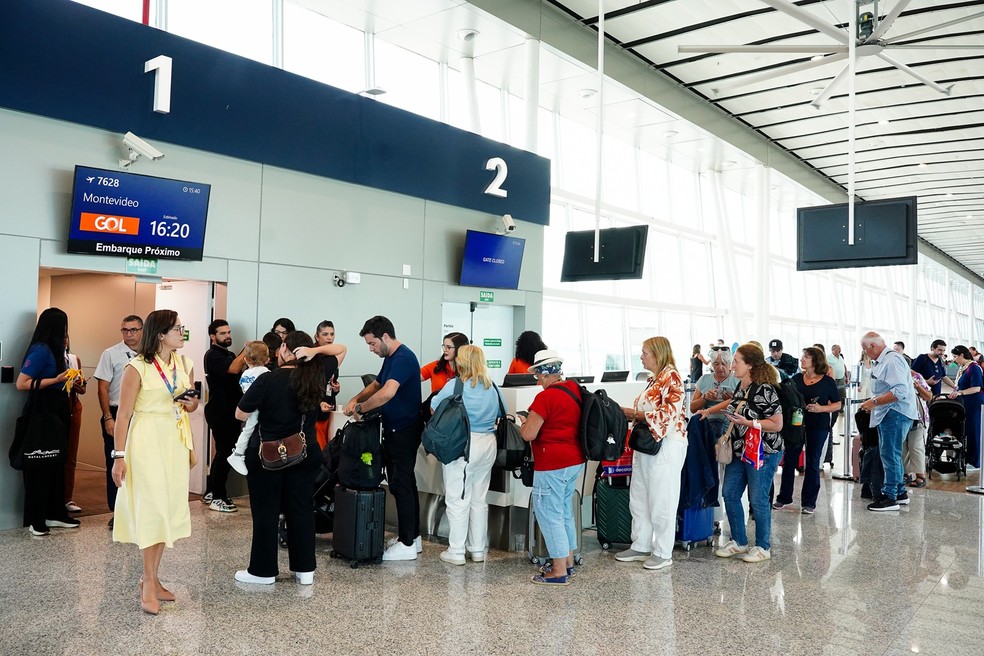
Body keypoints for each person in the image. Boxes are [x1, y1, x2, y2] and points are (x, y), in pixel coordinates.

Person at [112, 309, 199, 614]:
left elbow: (191, 401)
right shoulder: (136, 367)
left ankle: (153, 578)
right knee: (151, 510)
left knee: (166, 511)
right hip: (146, 441)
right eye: (178, 328)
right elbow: (122, 415)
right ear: (161, 334)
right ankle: (148, 582)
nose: (182, 333)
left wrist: (192, 404)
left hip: (174, 441)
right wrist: (119, 457)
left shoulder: (184, 363)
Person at [234, 331, 325, 586]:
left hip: (268, 455)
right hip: (305, 453)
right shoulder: (315, 377)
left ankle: (263, 572)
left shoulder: (268, 379)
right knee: (302, 510)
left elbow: (241, 414)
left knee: (266, 511)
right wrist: (315, 352)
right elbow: (339, 350)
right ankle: (305, 570)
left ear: (284, 348)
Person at [343, 316, 423, 561]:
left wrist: (361, 409)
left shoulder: (404, 358)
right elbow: (377, 384)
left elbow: (388, 392)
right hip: (395, 429)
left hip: (404, 430)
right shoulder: (390, 358)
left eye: (372, 343)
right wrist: (354, 400)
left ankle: (407, 544)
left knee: (401, 484)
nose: (371, 349)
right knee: (404, 483)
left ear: (385, 336)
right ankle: (412, 537)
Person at [614, 336, 688, 571]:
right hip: (646, 444)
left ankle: (663, 551)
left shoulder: (672, 378)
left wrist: (631, 414)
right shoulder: (654, 379)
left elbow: (668, 415)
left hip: (666, 445)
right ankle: (641, 543)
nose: (641, 356)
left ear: (657, 354)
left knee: (661, 498)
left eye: (645, 352)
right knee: (640, 495)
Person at [430, 345, 504, 565]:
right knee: (479, 499)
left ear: (462, 362)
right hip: (489, 443)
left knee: (457, 498)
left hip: (463, 443)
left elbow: (434, 406)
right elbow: (502, 411)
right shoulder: (493, 387)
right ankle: (478, 550)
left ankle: (456, 551)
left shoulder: (455, 385)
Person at [518, 349, 585, 585]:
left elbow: (528, 434)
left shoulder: (545, 398)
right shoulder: (574, 389)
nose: (537, 380)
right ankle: (567, 561)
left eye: (538, 375)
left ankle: (558, 571)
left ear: (546, 374)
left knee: (549, 514)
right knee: (564, 511)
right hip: (574, 461)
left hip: (552, 464)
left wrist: (523, 423)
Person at [713, 343, 783, 563]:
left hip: (763, 452)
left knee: (758, 499)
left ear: (750, 364)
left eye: (736, 361)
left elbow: (777, 424)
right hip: (740, 450)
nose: (731, 365)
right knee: (730, 493)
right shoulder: (741, 387)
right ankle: (739, 541)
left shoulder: (765, 389)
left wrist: (749, 422)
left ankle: (763, 546)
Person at [16, 308, 79, 536]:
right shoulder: (41, 349)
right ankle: (36, 518)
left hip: (58, 411)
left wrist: (72, 382)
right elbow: (22, 383)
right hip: (41, 413)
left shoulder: (59, 349)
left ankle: (55, 512)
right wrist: (57, 379)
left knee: (56, 462)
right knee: (41, 463)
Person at [773, 347, 841, 514]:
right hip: (796, 424)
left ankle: (809, 502)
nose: (802, 360)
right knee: (789, 459)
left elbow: (837, 404)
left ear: (815, 361)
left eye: (806, 357)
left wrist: (821, 408)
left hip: (818, 424)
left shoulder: (827, 382)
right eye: (802, 357)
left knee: (812, 461)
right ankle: (784, 497)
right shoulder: (796, 378)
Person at [858, 332, 918, 512]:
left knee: (889, 454)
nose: (864, 353)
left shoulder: (892, 360)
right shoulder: (884, 360)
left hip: (895, 413)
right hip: (888, 413)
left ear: (873, 347)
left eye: (864, 349)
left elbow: (900, 391)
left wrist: (873, 402)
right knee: (893, 454)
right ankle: (899, 492)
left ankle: (889, 497)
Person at [94, 314, 143, 529]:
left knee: (140, 464)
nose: (129, 334)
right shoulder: (110, 354)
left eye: (133, 330)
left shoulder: (150, 354)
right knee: (115, 463)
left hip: (141, 415)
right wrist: (107, 417)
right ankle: (117, 512)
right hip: (116, 413)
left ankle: (138, 510)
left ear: (142, 330)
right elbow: (102, 387)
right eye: (125, 330)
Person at [203, 319, 247, 513]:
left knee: (223, 452)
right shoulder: (212, 355)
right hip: (220, 412)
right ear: (213, 337)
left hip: (230, 411)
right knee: (226, 453)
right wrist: (248, 350)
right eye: (223, 333)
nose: (228, 336)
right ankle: (218, 497)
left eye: (229, 332)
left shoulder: (228, 354)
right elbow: (234, 369)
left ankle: (212, 491)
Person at [227, 341, 271, 477]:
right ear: (268, 360)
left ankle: (238, 453)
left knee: (247, 430)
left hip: (248, 407)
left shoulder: (245, 374)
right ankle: (238, 454)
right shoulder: (266, 373)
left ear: (245, 359)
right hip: (260, 408)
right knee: (250, 428)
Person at [948, 345, 983, 470]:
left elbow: (977, 388)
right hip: (965, 403)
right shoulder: (964, 368)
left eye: (955, 356)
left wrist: (960, 392)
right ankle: (967, 458)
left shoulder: (974, 368)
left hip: (974, 403)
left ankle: (975, 461)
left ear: (962, 355)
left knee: (974, 431)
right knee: (965, 431)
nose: (954, 359)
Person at [63, 336, 87, 515]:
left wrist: (79, 385)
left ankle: (67, 498)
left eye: (66, 336)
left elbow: (83, 387)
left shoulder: (73, 359)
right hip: (54, 409)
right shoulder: (47, 357)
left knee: (70, 455)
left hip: (72, 406)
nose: (64, 340)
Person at [312, 320, 341, 449]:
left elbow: (330, 380)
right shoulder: (313, 356)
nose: (329, 337)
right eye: (325, 334)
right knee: (319, 448)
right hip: (314, 409)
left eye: (332, 334)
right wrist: (318, 403)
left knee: (330, 446)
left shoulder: (332, 355)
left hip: (329, 407)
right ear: (317, 336)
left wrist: (336, 389)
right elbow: (308, 386)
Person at [905, 370, 933, 488]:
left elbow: (928, 396)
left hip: (918, 418)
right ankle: (905, 474)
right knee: (902, 447)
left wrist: (917, 387)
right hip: (901, 416)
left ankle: (920, 475)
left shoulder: (917, 377)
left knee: (916, 446)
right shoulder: (893, 376)